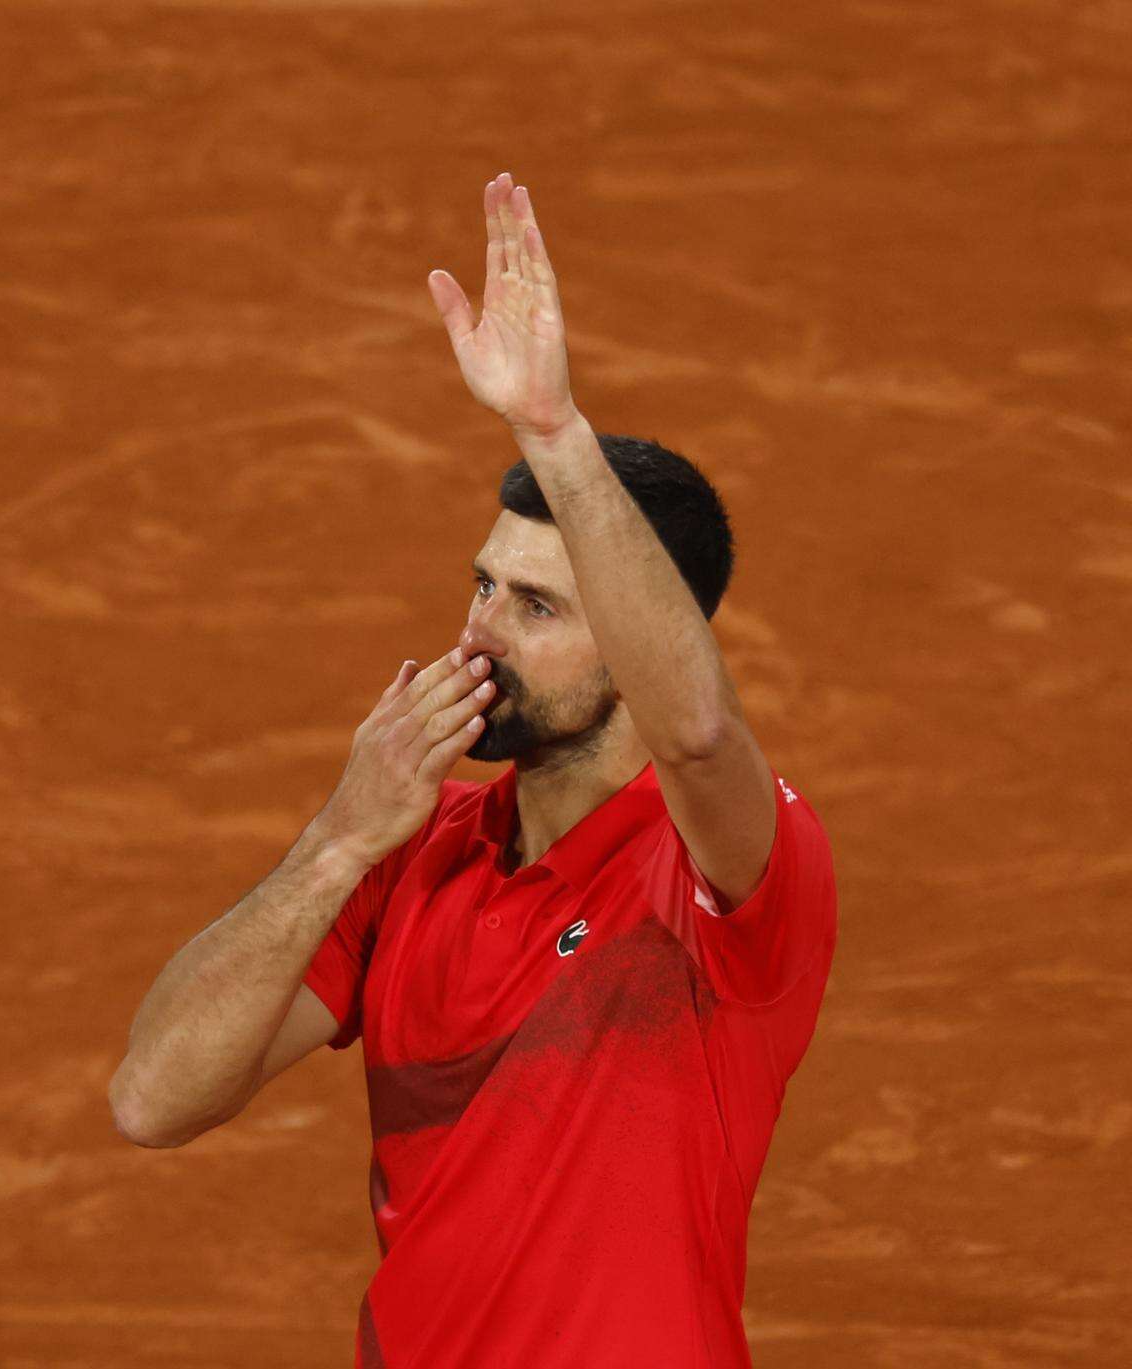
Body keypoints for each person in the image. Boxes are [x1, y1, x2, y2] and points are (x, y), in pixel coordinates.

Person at [108, 172, 838, 1367]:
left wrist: (555, 435)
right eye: (484, 584)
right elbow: (153, 1101)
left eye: (538, 604)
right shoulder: (412, 844)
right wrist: (338, 840)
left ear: (642, 632)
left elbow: (698, 732)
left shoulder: (731, 868)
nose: (483, 630)